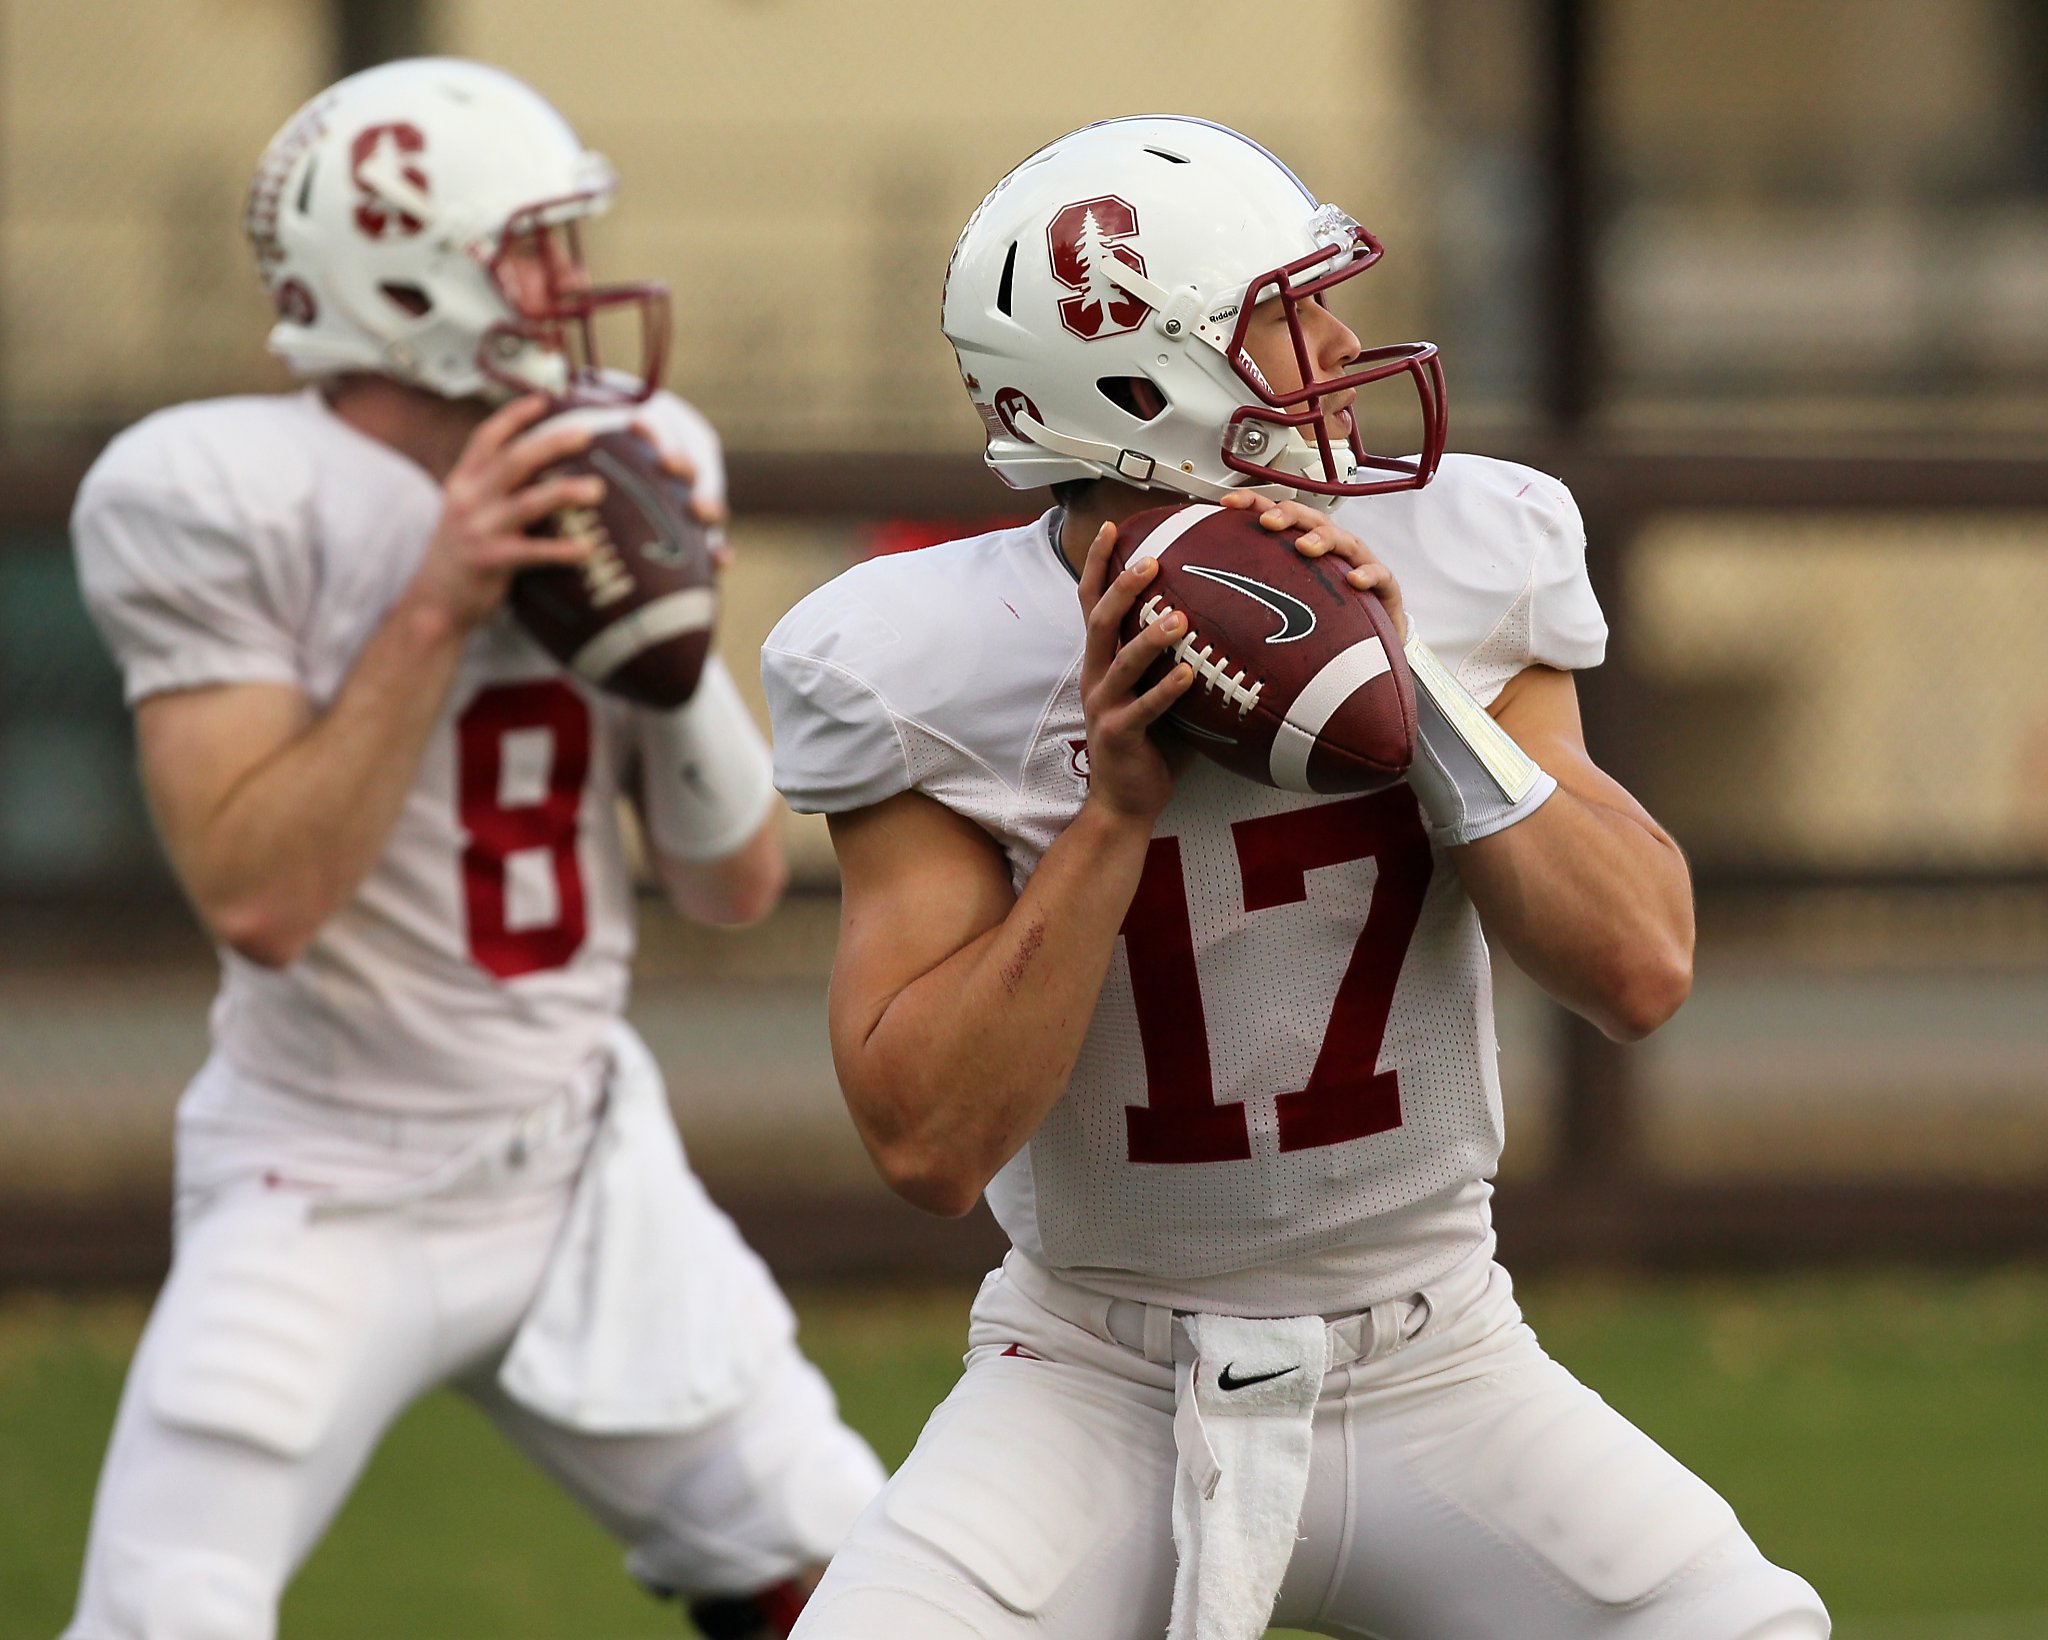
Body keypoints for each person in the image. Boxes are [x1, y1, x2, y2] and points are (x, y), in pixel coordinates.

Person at [760, 116, 1829, 1640]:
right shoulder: (924, 659)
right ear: (1139, 397)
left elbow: (1643, 968)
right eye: (1282, 318)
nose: (1338, 345)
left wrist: (1419, 697)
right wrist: (1111, 813)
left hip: (1438, 1355)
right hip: (1091, 1378)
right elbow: (928, 1141)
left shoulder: (1465, 553)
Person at [65, 57, 882, 1640]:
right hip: (321, 1175)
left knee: (871, 1586)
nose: (573, 288)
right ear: (396, 270)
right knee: (169, 1611)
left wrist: (673, 654)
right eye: (533, 249)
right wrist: (436, 604)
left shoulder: (634, 455)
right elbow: (262, 896)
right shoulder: (220, 494)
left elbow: (733, 886)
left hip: (581, 1163)